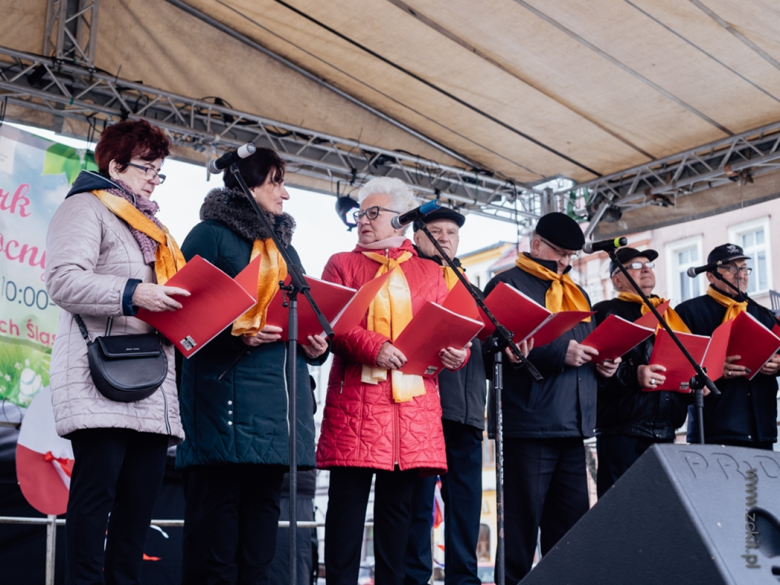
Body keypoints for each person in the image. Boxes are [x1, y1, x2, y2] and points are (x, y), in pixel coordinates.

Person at [176, 147, 329, 584]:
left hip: (279, 412)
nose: (286, 194)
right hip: (224, 406)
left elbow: (308, 310)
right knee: (217, 537)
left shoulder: (286, 249)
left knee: (262, 533)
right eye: (276, 182)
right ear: (248, 183)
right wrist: (235, 332)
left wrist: (318, 342)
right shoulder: (208, 235)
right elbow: (182, 316)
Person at [45, 119, 188, 585]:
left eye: (160, 170)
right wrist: (135, 293)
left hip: (151, 382)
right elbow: (63, 280)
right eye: (148, 166)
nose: (154, 177)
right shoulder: (86, 207)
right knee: (94, 503)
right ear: (115, 164)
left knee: (137, 512)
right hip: (100, 378)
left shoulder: (154, 226)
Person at [316, 178, 469, 585]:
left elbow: (446, 330)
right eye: (359, 214)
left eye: (372, 213)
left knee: (398, 520)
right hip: (357, 406)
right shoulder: (341, 264)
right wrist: (375, 346)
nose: (362, 221)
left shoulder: (430, 270)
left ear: (400, 221)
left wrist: (458, 353)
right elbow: (333, 324)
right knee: (346, 513)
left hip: (411, 411)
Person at [482, 212, 619, 583]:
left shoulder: (579, 293)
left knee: (572, 533)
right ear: (536, 243)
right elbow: (491, 350)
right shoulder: (505, 285)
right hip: (528, 426)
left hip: (574, 428)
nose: (565, 262)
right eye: (560, 252)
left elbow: (585, 349)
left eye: (571, 256)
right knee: (519, 532)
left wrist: (603, 367)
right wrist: (561, 353)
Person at [403, 208, 529, 585]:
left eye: (452, 233)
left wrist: (504, 351)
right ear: (417, 235)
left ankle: (465, 579)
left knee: (466, 506)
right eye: (436, 231)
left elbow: (484, 350)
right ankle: (414, 578)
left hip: (469, 413)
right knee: (418, 504)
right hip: (422, 408)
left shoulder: (471, 289)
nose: (444, 238)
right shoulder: (404, 278)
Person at [592, 247, 692, 497]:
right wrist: (633, 375)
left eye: (648, 265)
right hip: (622, 430)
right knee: (620, 510)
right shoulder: (606, 311)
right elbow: (594, 371)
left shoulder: (669, 315)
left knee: (659, 513)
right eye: (635, 266)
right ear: (617, 279)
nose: (646, 269)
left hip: (666, 429)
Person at [676, 243, 780, 449]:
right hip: (715, 427)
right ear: (711, 276)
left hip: (761, 427)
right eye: (731, 268)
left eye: (743, 268)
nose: (740, 275)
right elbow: (677, 367)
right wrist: (714, 369)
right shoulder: (688, 313)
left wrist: (778, 364)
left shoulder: (764, 313)